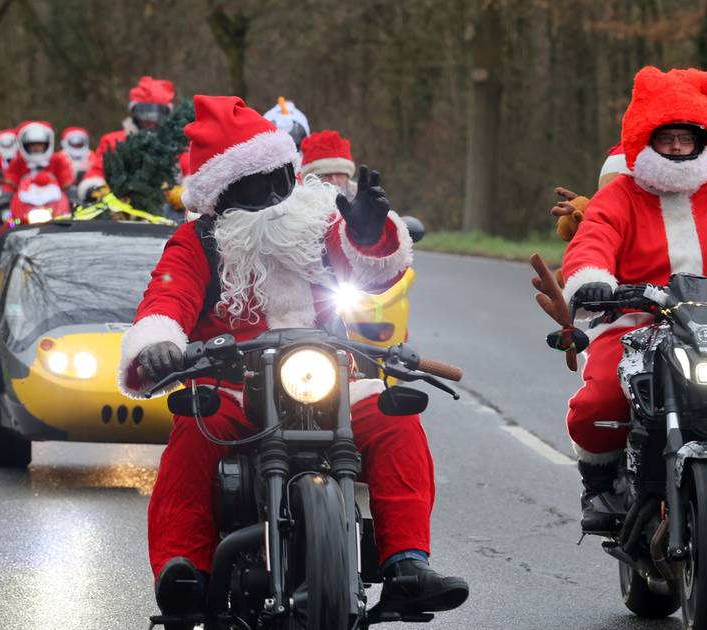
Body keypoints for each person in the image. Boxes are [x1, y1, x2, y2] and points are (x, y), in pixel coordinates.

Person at [118, 95, 468, 623]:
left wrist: (370, 235)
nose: (275, 194)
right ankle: (185, 569)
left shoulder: (319, 219)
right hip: (234, 386)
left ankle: (407, 566)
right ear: (222, 195)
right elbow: (166, 299)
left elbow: (377, 273)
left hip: (328, 376)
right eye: (256, 184)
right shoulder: (197, 243)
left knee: (395, 418)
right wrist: (158, 345)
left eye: (281, 176)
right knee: (194, 428)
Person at [559, 66, 707, 532]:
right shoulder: (619, 197)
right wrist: (593, 281)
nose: (676, 147)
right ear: (646, 140)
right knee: (599, 402)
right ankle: (599, 485)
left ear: (702, 141)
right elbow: (591, 242)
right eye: (666, 138)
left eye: (685, 138)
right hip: (635, 323)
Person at [78, 76, 176, 200]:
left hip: (170, 207)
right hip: (122, 204)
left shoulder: (176, 145)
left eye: (157, 115)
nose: (150, 121)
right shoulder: (114, 141)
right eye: (144, 113)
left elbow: (191, 172)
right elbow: (97, 171)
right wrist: (96, 189)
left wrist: (182, 194)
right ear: (134, 113)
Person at [4, 120, 74, 191]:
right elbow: (10, 181)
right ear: (25, 145)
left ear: (46, 144)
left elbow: (66, 181)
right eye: (32, 145)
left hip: (55, 196)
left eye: (40, 144)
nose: (36, 148)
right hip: (24, 196)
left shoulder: (57, 160)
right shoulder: (18, 162)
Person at [300, 130, 356, 198]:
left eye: (339, 174)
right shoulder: (295, 202)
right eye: (326, 175)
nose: (333, 181)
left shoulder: (364, 198)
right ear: (309, 179)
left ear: (347, 177)